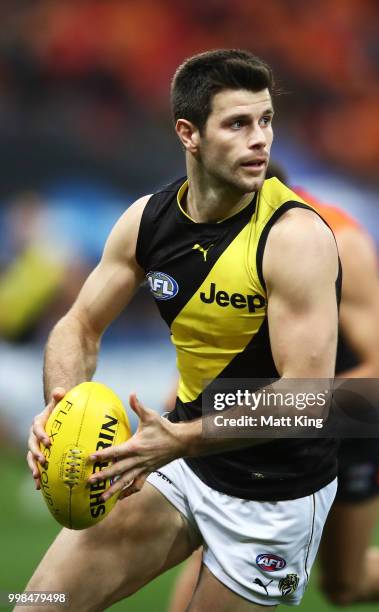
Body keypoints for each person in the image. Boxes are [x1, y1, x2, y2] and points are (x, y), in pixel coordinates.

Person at [24, 50, 341, 611]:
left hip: (275, 493)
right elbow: (78, 326)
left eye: (265, 120)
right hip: (181, 462)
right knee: (40, 604)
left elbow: (308, 399)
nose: (260, 140)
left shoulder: (296, 237)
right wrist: (61, 405)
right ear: (188, 133)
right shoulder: (147, 221)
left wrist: (180, 437)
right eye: (238, 123)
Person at [167, 163, 379, 612]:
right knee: (212, 549)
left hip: (348, 422)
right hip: (264, 420)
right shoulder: (214, 239)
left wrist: (290, 404)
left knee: (344, 584)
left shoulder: (339, 241)